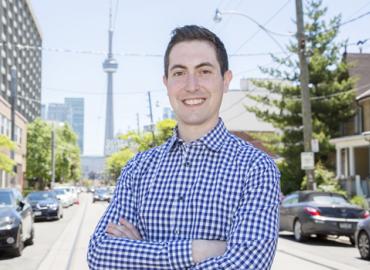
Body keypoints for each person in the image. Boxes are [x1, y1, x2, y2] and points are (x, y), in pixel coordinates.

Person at [88, 25, 280, 269]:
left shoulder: (257, 168)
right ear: (166, 82)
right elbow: (100, 255)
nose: (191, 85)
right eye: (179, 73)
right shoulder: (138, 168)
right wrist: (198, 250)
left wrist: (140, 254)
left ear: (225, 80)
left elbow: (246, 265)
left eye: (204, 71)